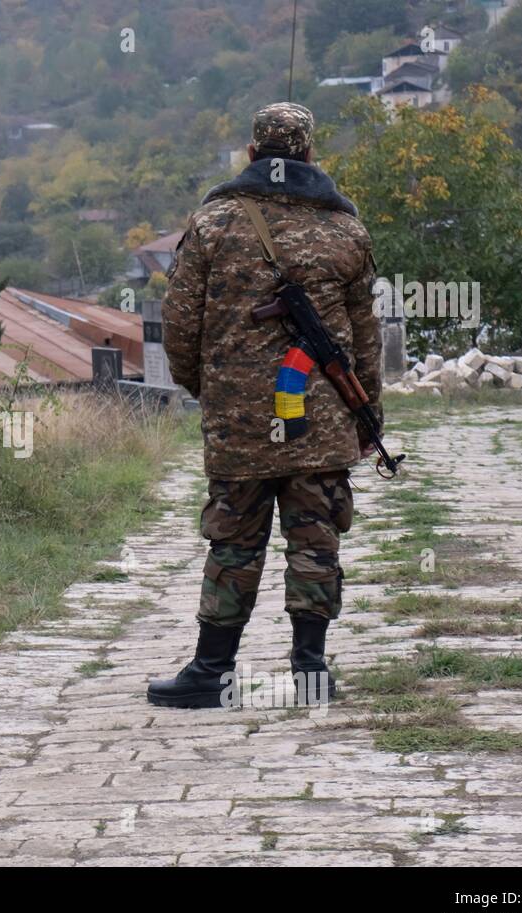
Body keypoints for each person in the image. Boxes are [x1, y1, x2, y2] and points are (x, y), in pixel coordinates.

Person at [147, 102, 382, 709]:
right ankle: (310, 670)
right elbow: (364, 336)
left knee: (232, 541)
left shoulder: (211, 224)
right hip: (320, 418)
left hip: (239, 423)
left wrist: (208, 390)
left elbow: (178, 325)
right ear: (308, 155)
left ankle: (210, 673)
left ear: (252, 154)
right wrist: (367, 413)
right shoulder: (346, 230)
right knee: (315, 540)